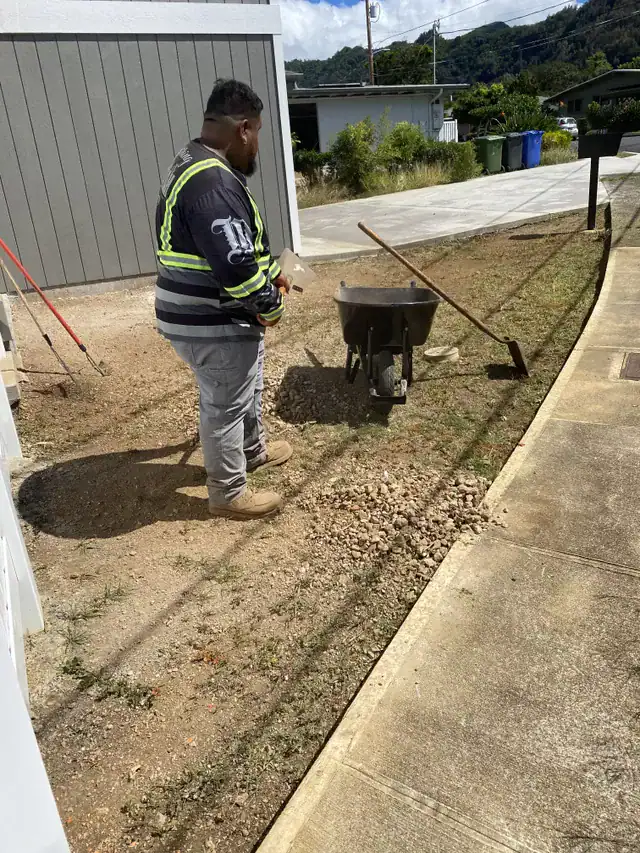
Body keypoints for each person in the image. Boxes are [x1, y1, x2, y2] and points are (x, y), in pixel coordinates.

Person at [155, 79, 292, 520]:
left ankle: (252, 450)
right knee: (225, 404)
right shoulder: (213, 182)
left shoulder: (194, 161)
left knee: (245, 384)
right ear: (245, 129)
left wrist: (271, 271)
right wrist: (271, 303)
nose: (256, 148)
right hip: (211, 319)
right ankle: (228, 492)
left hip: (205, 314)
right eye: (258, 136)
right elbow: (234, 267)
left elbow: (233, 247)